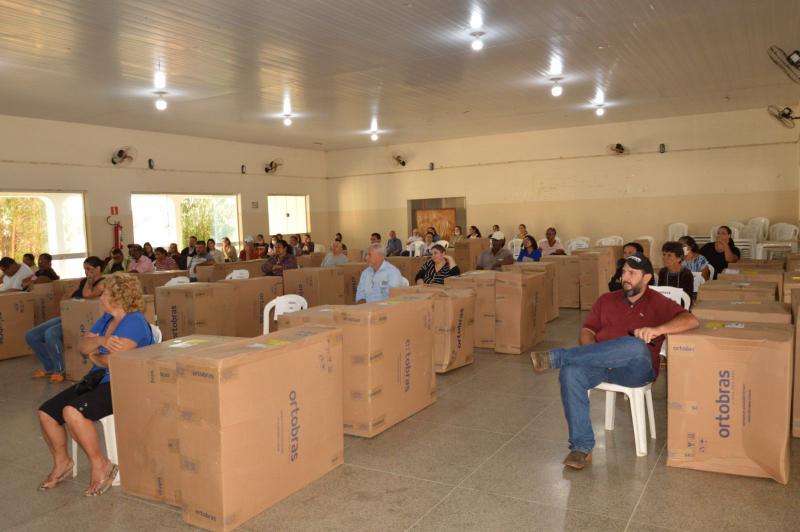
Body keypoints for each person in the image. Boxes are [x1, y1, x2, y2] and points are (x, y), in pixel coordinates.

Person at [529, 254, 699, 470]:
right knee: (570, 373)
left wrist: (657, 330)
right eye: (623, 272)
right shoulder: (606, 300)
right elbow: (588, 330)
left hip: (635, 371)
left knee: (635, 345)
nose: (624, 277)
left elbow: (691, 320)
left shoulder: (657, 301)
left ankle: (558, 357)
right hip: (599, 364)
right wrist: (593, 352)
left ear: (646, 278)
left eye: (631, 273)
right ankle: (581, 448)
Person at [37, 273, 155, 496]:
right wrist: (101, 342)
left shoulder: (134, 322)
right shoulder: (107, 319)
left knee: (72, 412)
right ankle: (62, 462)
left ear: (118, 297)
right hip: (98, 379)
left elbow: (113, 361)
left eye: (105, 293)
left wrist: (95, 356)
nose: (100, 297)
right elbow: (82, 346)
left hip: (123, 383)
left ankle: (101, 463)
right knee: (46, 413)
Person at [26, 256, 105, 383]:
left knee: (50, 334)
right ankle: (50, 367)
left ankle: (60, 370)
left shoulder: (103, 283)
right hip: (69, 315)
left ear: (98, 269)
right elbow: (66, 296)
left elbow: (87, 295)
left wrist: (89, 280)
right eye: (84, 269)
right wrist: (70, 303)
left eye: (89, 269)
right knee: (31, 335)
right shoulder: (82, 281)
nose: (86, 272)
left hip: (84, 319)